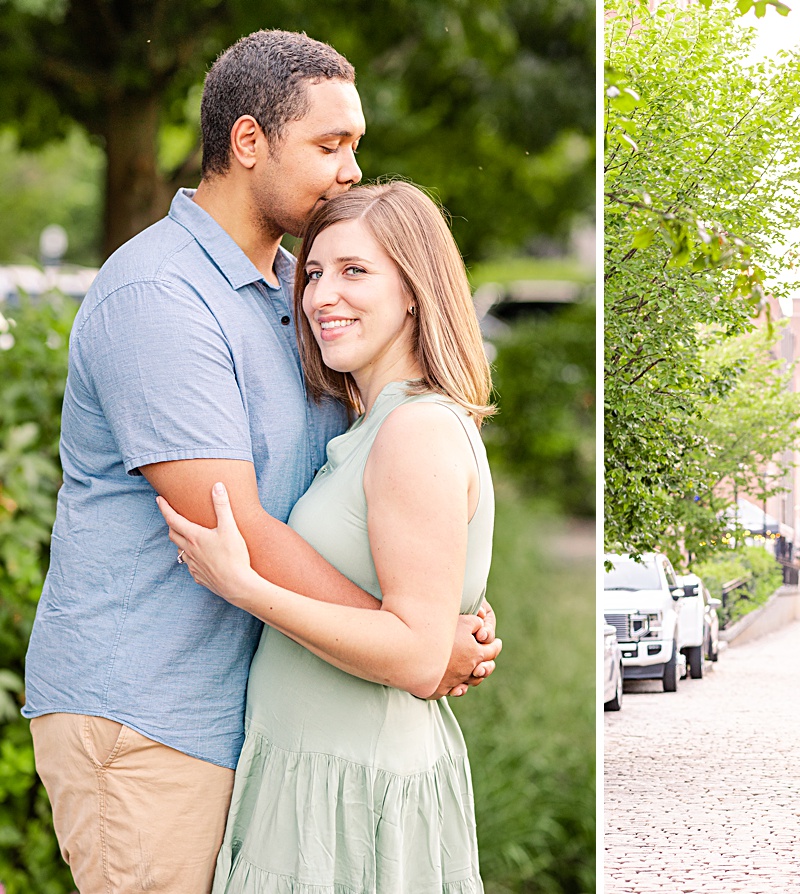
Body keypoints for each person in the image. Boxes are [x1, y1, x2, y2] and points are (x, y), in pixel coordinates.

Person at [21, 31, 500, 893]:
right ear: (249, 143)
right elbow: (229, 523)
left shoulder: (301, 291)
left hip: (257, 716)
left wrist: (435, 604)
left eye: (355, 145)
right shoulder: (160, 298)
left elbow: (363, 493)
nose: (352, 170)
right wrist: (420, 644)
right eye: (330, 145)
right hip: (152, 717)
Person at [160, 180, 495, 891]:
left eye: (355, 272)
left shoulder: (415, 431)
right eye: (313, 272)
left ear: (414, 290)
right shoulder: (372, 425)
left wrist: (245, 587)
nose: (320, 297)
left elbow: (412, 654)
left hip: (347, 793)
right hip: (314, 772)